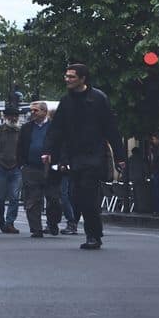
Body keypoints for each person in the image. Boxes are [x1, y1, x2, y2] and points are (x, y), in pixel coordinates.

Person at [49, 63, 124, 250]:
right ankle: (92, 231)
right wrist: (49, 152)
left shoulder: (98, 99)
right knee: (77, 196)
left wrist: (120, 156)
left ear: (83, 79)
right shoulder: (66, 101)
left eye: (72, 76)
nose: (67, 79)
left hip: (94, 155)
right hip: (74, 156)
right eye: (66, 76)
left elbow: (111, 129)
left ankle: (93, 235)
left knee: (88, 195)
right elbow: (57, 130)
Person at [17, 101, 60, 238]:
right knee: (32, 199)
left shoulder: (54, 127)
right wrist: (22, 164)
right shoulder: (26, 128)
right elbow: (20, 146)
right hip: (31, 167)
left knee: (53, 198)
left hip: (50, 167)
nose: (33, 113)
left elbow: (61, 145)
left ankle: (53, 222)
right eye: (32, 110)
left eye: (36, 110)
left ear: (44, 111)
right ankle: (36, 228)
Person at [0, 105, 24, 234]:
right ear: (5, 117)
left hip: (16, 167)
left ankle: (10, 222)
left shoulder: (21, 131)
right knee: (0, 197)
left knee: (14, 197)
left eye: (16, 116)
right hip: (1, 166)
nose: (14, 118)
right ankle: (1, 220)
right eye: (11, 116)